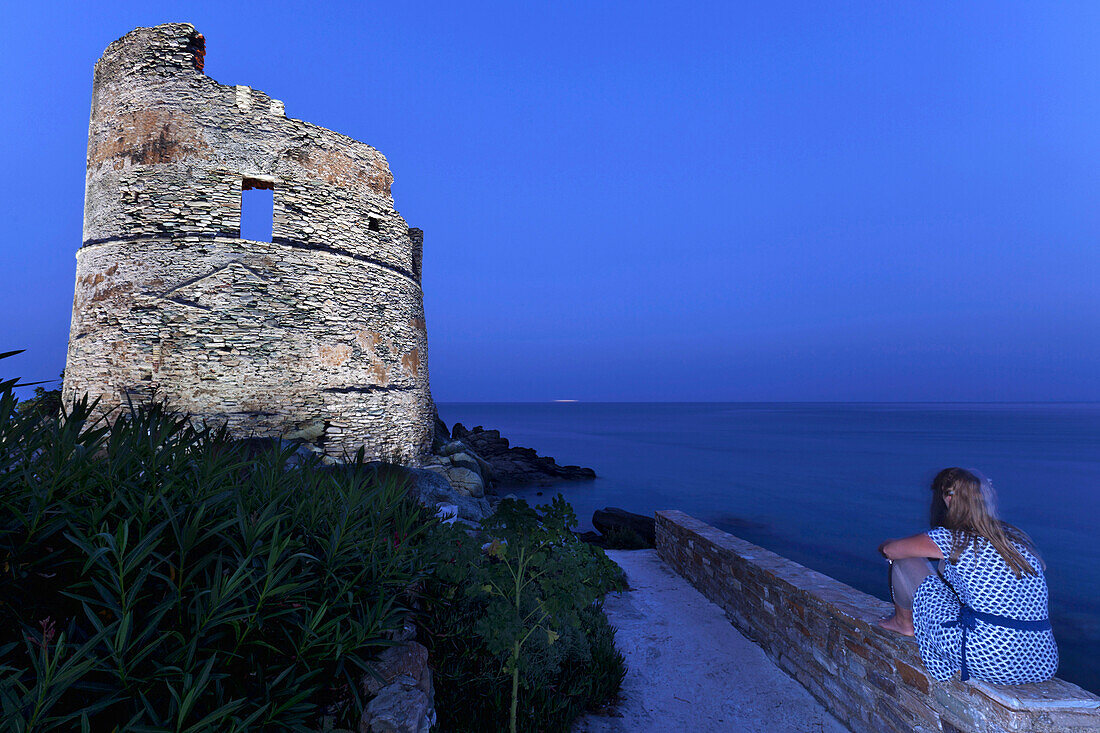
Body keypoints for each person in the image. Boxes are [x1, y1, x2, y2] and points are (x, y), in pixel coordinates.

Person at [875, 467, 1058, 684]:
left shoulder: (953, 540)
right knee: (949, 568)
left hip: (991, 659)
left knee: (906, 561)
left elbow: (890, 551)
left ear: (950, 499)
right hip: (1043, 662)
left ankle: (903, 623)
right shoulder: (1015, 540)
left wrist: (891, 545)